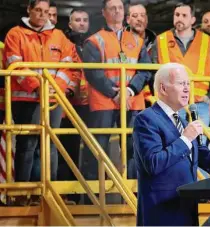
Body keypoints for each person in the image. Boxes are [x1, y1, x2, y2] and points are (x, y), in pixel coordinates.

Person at [133, 63, 210, 226]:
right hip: (161, 214)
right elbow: (153, 163)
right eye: (181, 84)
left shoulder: (183, 122)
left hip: (187, 212)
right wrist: (185, 139)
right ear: (163, 89)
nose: (187, 89)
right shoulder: (147, 119)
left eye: (188, 84)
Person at [4, 0, 73, 205]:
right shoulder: (15, 34)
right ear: (29, 10)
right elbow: (14, 64)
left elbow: (69, 64)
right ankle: (20, 196)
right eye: (38, 10)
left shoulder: (59, 36)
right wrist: (39, 87)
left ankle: (47, 195)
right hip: (26, 99)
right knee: (28, 146)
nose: (42, 15)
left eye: (45, 11)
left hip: (52, 98)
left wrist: (55, 86)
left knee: (50, 144)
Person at [82, 0, 151, 181]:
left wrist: (128, 91)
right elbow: (92, 73)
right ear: (104, 12)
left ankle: (135, 196)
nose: (117, 11)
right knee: (97, 149)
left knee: (134, 149)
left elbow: (145, 70)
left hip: (132, 101)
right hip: (104, 102)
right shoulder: (94, 41)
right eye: (112, 8)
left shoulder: (137, 41)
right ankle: (93, 199)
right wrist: (115, 94)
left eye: (120, 8)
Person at [151, 3, 210, 145]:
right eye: (177, 15)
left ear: (192, 20)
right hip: (171, 103)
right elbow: (153, 73)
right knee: (173, 143)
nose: (179, 18)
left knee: (200, 145)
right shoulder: (161, 40)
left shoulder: (207, 42)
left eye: (184, 16)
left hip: (199, 103)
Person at [58, 8, 91, 204]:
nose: (81, 23)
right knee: (68, 149)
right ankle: (68, 193)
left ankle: (84, 195)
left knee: (88, 151)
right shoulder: (65, 44)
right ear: (70, 24)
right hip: (69, 103)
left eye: (84, 20)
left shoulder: (92, 44)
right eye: (77, 20)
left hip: (89, 104)